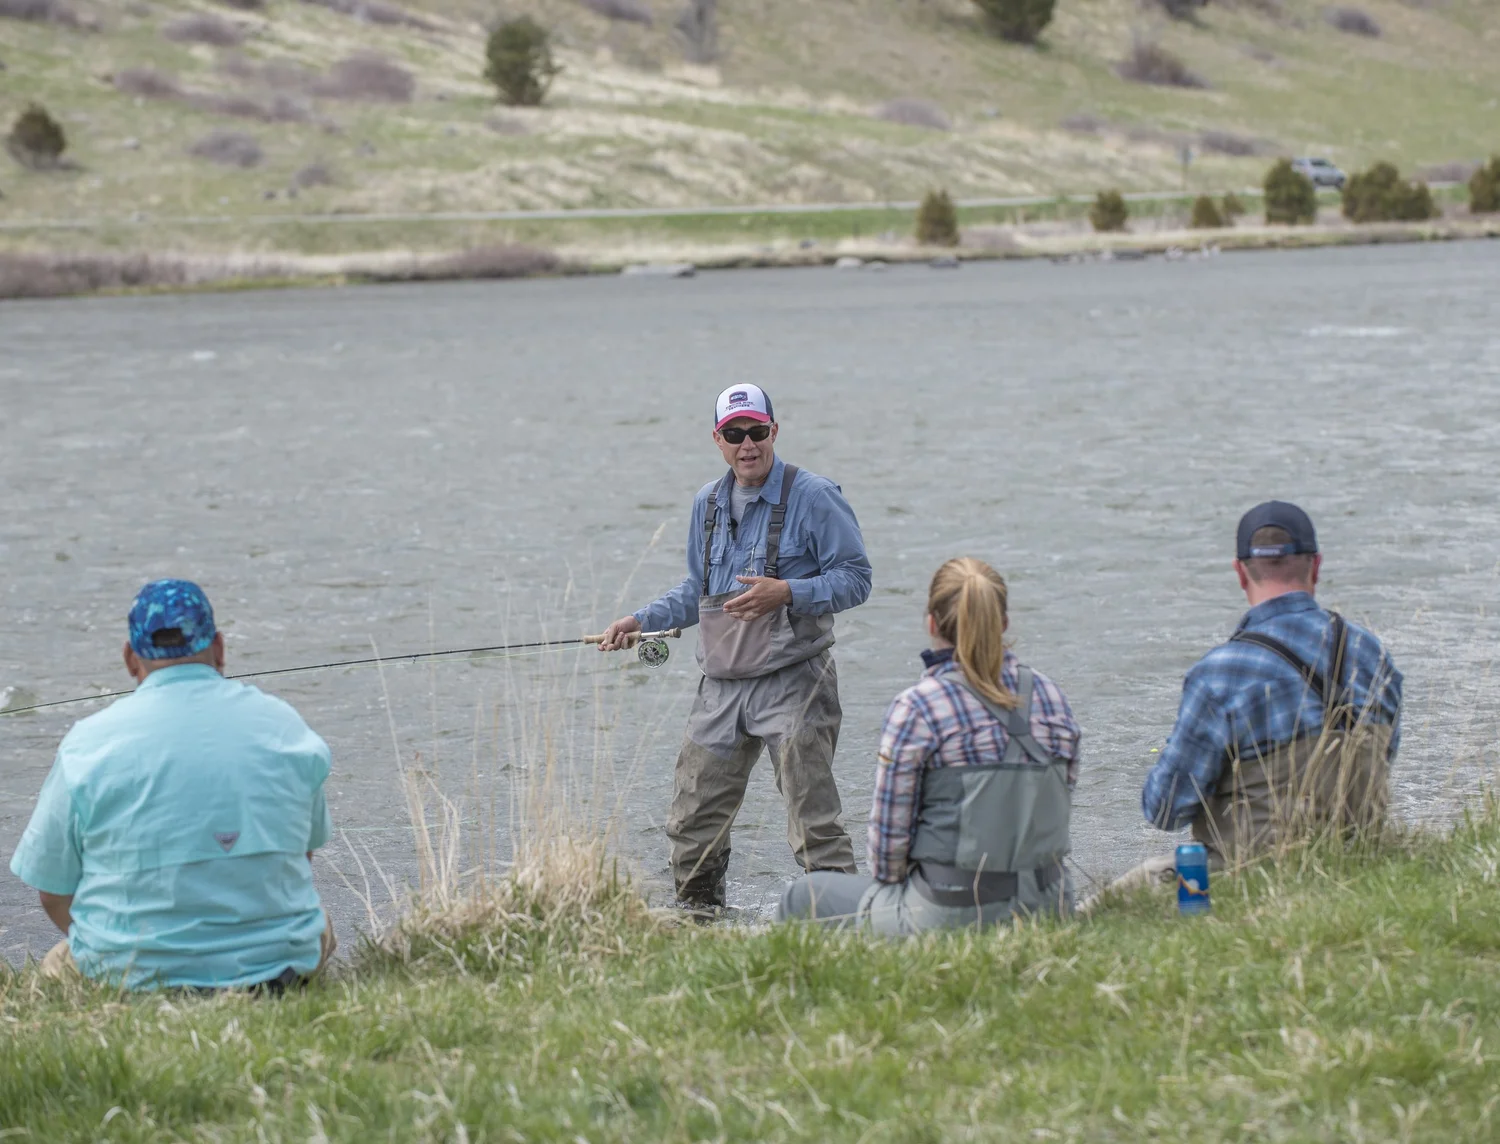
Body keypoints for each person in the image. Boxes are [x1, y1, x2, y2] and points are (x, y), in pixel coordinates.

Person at [599, 384, 872, 910]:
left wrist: (788, 592)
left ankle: (847, 932)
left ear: (774, 431)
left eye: (756, 431)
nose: (747, 444)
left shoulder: (815, 497)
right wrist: (639, 620)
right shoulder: (706, 503)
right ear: (718, 440)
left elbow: (857, 578)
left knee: (813, 822)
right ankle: (700, 923)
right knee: (692, 821)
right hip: (720, 690)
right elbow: (697, 592)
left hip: (796, 683)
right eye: (734, 434)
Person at [9, 579, 337, 991]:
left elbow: (52, 893)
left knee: (55, 966)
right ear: (219, 647)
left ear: (131, 659)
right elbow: (300, 856)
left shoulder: (87, 743)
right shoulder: (286, 724)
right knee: (320, 923)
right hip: (276, 972)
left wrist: (116, 946)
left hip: (129, 979)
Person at [778, 557, 1080, 934]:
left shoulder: (919, 708)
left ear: (931, 623)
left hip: (951, 914)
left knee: (803, 896)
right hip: (1051, 906)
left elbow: (888, 858)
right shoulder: (1052, 697)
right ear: (1003, 624)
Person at [1116, 501, 1403, 892]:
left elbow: (1164, 810)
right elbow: (1385, 759)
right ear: (1315, 566)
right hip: (1364, 860)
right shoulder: (1373, 654)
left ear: (1239, 572)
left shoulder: (1220, 674)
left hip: (1251, 875)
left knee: (1113, 899)